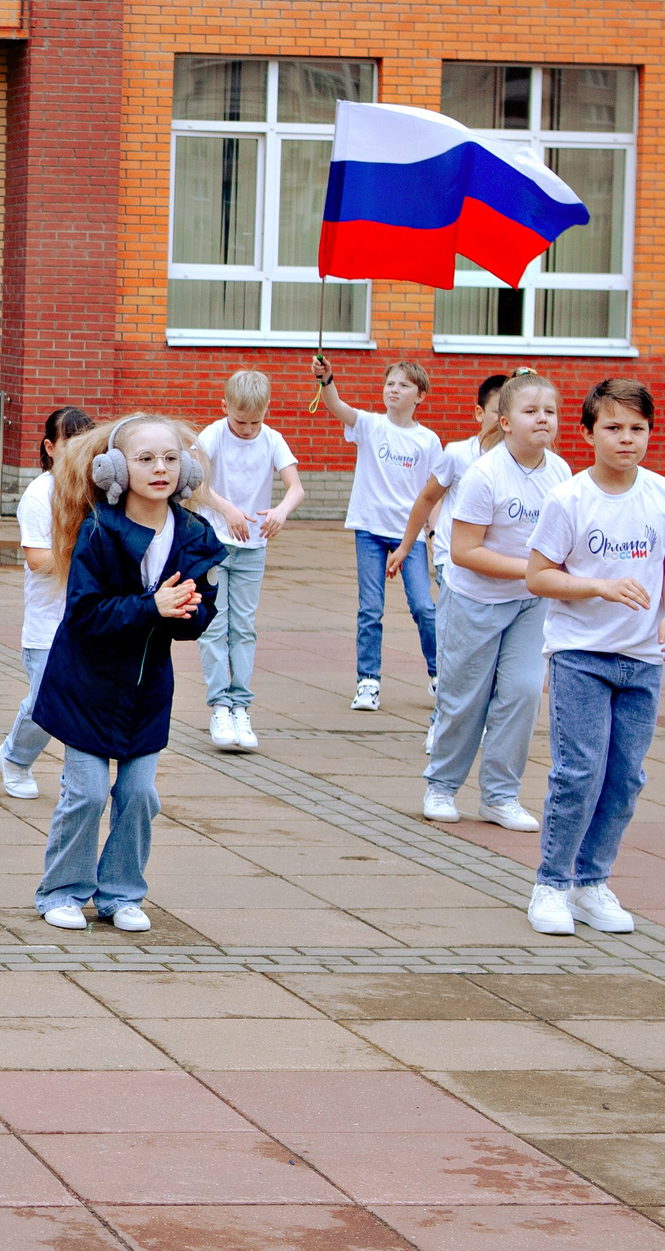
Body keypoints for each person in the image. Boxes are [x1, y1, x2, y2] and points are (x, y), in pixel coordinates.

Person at [30, 415, 225, 932]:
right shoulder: (99, 530)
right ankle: (61, 891)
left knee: (139, 795)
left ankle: (120, 893)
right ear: (116, 468)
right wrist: (151, 607)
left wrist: (189, 611)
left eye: (169, 458)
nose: (160, 468)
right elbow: (87, 615)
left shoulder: (194, 533)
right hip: (86, 685)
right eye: (145, 459)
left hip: (145, 690)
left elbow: (201, 612)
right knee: (88, 793)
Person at [522, 378, 665, 937]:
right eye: (613, 428)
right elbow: (538, 576)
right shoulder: (568, 499)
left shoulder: (664, 494)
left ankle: (591, 883)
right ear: (588, 432)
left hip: (642, 661)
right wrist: (598, 586)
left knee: (626, 777)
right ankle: (550, 885)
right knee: (579, 771)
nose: (627, 439)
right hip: (581, 656)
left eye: (637, 428)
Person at [424, 371, 564, 831]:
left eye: (549, 411)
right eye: (530, 411)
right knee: (465, 697)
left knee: (522, 694)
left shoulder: (560, 473)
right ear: (504, 422)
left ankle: (500, 796)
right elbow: (464, 552)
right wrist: (534, 572)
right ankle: (441, 786)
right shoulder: (485, 473)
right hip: (474, 601)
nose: (542, 419)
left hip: (531, 604)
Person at [316, 359, 443, 712]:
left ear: (420, 396)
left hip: (410, 535)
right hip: (370, 530)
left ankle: (439, 675)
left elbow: (433, 493)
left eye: (403, 385)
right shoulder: (370, 425)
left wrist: (433, 534)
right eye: (390, 383)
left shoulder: (428, 440)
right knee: (370, 608)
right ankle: (367, 681)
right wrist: (328, 379)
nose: (394, 390)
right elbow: (336, 406)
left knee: (424, 607)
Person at [392, 373, 509, 751]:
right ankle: (440, 724)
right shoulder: (458, 454)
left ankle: (487, 724)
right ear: (480, 413)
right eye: (498, 412)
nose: (506, 422)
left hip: (502, 571)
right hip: (454, 563)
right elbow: (426, 500)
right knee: (456, 649)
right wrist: (407, 547)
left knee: (496, 656)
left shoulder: (527, 462)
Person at [192, 370, 303, 752]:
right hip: (215, 543)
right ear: (225, 407)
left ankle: (241, 706)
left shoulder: (272, 439)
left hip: (253, 547)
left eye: (255, 421)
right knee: (213, 625)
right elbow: (195, 483)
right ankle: (220, 705)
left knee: (244, 627)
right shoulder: (213, 435)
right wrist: (228, 510)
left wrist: (281, 512)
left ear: (266, 411)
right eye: (240, 420)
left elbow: (296, 488)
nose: (247, 428)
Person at [0, 407, 96, 800]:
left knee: (86, 701)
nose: (79, 453)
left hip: (90, 616)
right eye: (70, 444)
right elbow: (38, 559)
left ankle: (78, 779)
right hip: (47, 623)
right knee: (44, 702)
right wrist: (89, 558)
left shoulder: (99, 491)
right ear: (49, 448)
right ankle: (16, 757)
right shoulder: (40, 494)